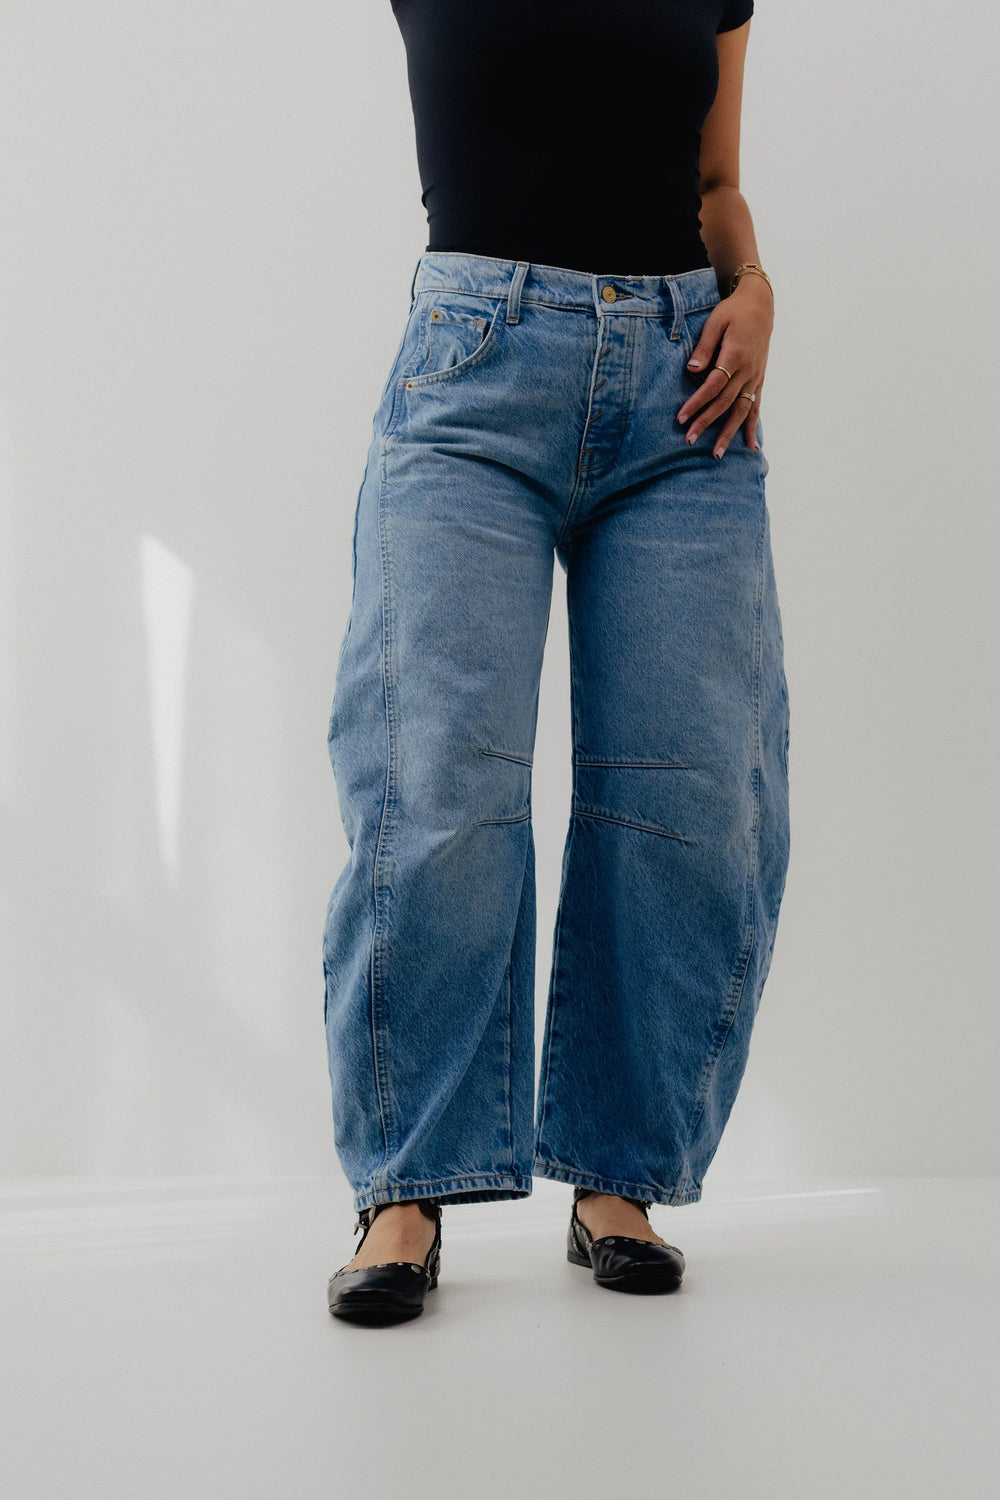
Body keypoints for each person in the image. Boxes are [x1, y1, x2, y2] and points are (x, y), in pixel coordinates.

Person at [324, 0, 790, 1326]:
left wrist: (756, 292)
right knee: (434, 786)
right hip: (475, 378)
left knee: (695, 799)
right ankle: (406, 1186)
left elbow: (715, 186)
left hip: (684, 389)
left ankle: (616, 1181)